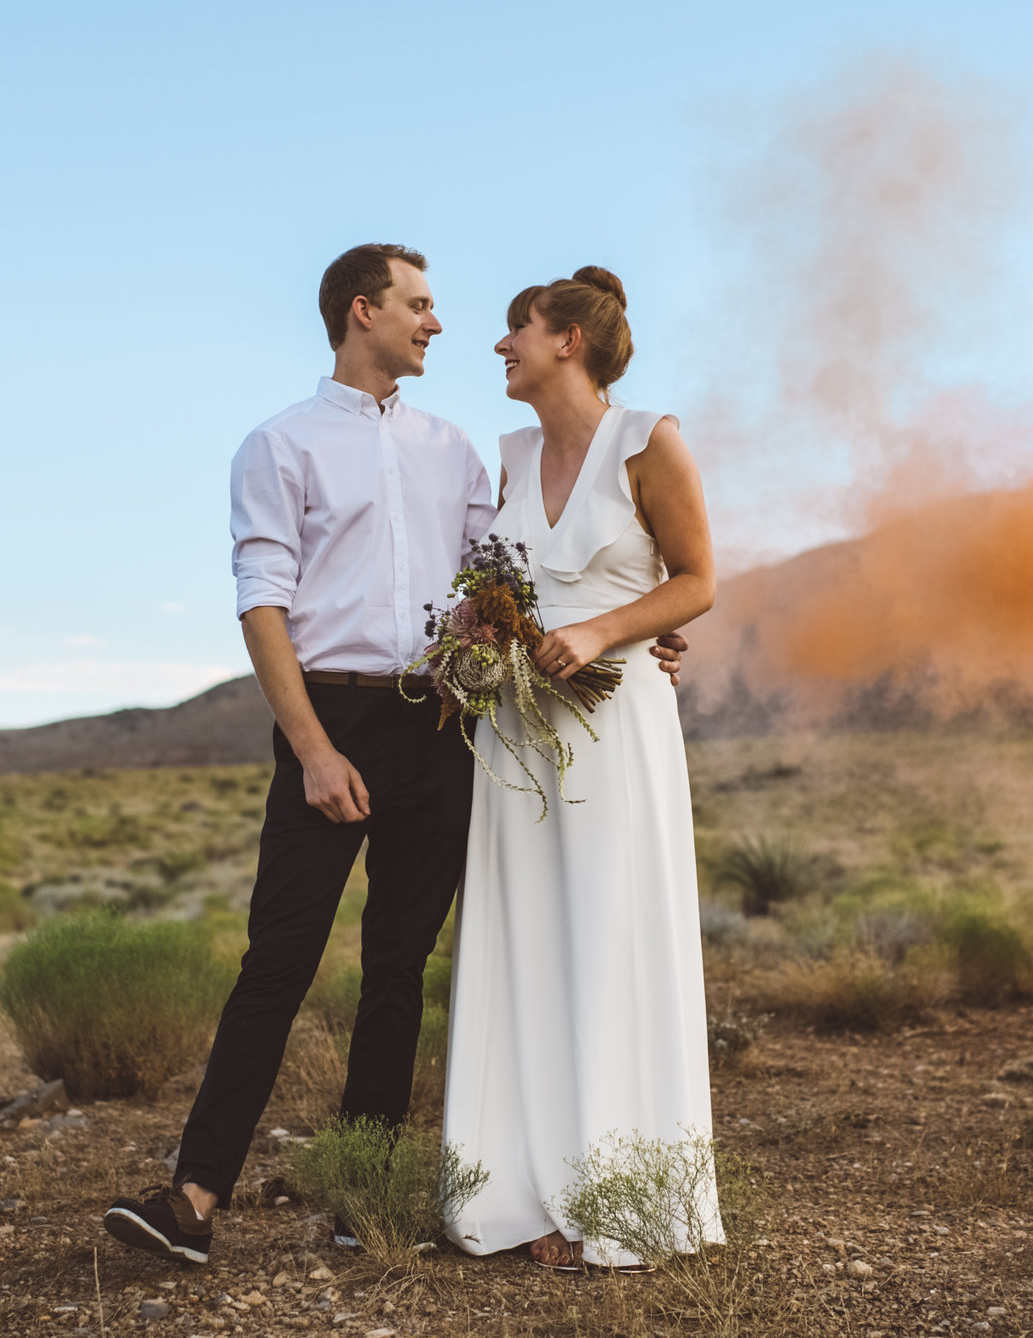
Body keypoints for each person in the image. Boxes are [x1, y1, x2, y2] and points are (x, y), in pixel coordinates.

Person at [103, 245, 686, 1269]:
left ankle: (358, 1195)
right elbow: (260, 602)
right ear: (361, 311)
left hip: (441, 726)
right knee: (276, 962)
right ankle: (192, 1198)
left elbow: (506, 581)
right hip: (327, 726)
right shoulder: (278, 446)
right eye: (419, 305)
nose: (437, 323)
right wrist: (313, 749)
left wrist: (633, 627)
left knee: (397, 969)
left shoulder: (458, 450)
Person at [441, 265, 722, 1271]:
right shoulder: (510, 456)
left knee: (607, 932)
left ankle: (615, 1196)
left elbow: (696, 579)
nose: (499, 346)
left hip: (615, 723)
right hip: (519, 730)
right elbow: (491, 584)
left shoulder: (650, 440)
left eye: (514, 328)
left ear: (565, 337)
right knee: (525, 938)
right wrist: (478, 629)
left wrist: (603, 628)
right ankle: (522, 1194)